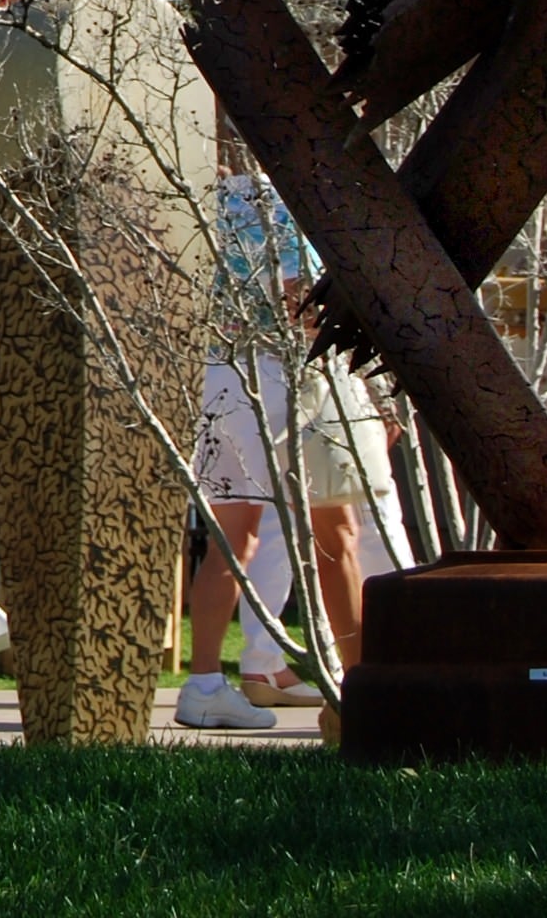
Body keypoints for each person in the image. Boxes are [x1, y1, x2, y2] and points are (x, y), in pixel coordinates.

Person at [175, 153, 386, 728]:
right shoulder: (288, 198)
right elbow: (298, 300)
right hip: (285, 373)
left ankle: (204, 684)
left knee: (234, 534)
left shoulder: (215, 199)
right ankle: (359, 692)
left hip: (224, 371)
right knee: (337, 532)